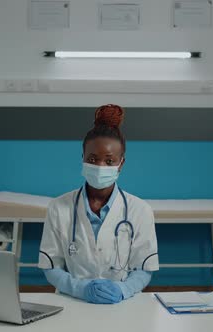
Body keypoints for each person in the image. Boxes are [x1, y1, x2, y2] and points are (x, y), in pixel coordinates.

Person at [38, 104, 159, 304]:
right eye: (93, 159)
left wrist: (123, 289)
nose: (100, 166)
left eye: (109, 161)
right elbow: (50, 266)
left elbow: (144, 268)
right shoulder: (58, 207)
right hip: (72, 301)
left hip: (122, 303)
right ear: (82, 159)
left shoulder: (140, 210)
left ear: (121, 164)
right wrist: (79, 288)